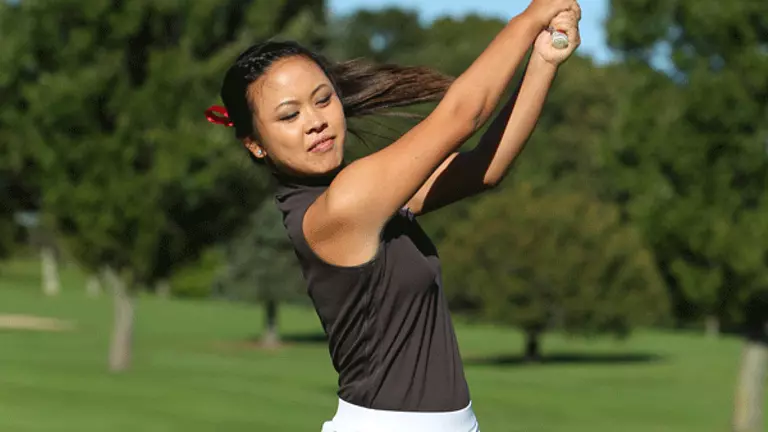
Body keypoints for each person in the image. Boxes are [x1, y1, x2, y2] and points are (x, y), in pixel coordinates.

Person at [206, 1, 581, 430]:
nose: (315, 122)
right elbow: (462, 115)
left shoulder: (359, 194)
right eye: (289, 115)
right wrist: (530, 16)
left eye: (323, 100)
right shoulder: (342, 206)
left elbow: (484, 170)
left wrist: (543, 60)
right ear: (255, 144)